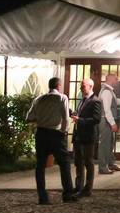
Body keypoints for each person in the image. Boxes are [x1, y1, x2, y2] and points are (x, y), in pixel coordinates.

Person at [25, 77, 77, 205]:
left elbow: (29, 117)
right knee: (64, 164)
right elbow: (65, 117)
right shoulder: (62, 98)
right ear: (59, 86)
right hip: (55, 134)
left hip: (41, 133)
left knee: (40, 166)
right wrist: (64, 132)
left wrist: (41, 118)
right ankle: (67, 194)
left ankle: (42, 197)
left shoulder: (39, 99)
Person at [71, 78, 103, 196]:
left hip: (88, 136)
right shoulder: (83, 100)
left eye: (83, 86)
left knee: (88, 163)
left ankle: (87, 189)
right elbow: (81, 113)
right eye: (80, 85)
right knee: (78, 162)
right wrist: (75, 114)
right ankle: (78, 186)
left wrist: (80, 120)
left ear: (90, 86)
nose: (81, 87)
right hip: (78, 135)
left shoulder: (96, 101)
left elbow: (96, 119)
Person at [97, 73, 120, 175]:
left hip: (107, 120)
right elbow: (107, 109)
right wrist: (113, 123)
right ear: (110, 79)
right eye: (116, 79)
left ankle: (110, 163)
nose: (117, 81)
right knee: (105, 144)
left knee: (110, 143)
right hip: (105, 120)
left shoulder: (108, 91)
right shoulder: (106, 92)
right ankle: (103, 167)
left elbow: (112, 101)